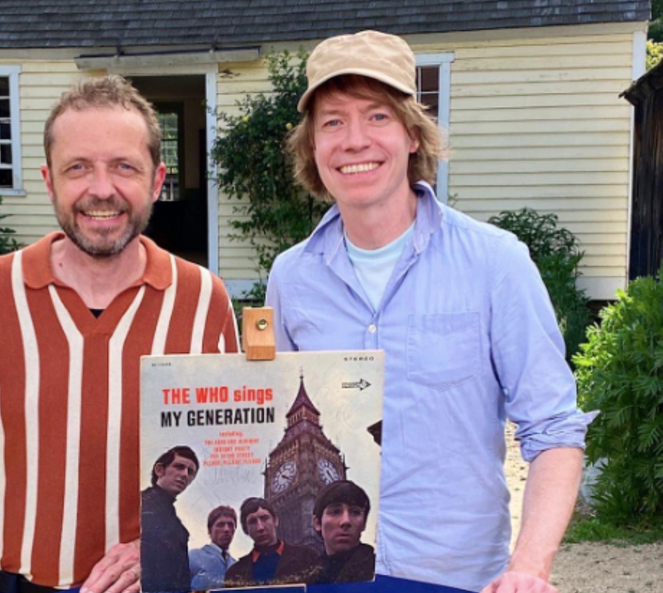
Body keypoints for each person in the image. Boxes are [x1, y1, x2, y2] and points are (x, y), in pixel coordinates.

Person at [266, 30, 595, 593]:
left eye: (377, 117)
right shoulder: (290, 277)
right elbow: (271, 424)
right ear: (312, 146)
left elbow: (554, 429)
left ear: (412, 135)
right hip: (328, 577)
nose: (354, 140)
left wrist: (529, 568)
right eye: (333, 122)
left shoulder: (496, 262)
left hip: (456, 577)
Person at [0, 75, 240, 593]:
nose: (101, 189)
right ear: (49, 180)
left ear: (156, 180)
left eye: (124, 167)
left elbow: (224, 464)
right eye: (77, 167)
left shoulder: (202, 299)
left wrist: (167, 544)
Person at [223, 497, 318, 587]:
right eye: (252, 522)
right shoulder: (234, 573)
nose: (260, 527)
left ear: (275, 520)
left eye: (264, 518)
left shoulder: (307, 558)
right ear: (246, 530)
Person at [141, 446, 199, 592]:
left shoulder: (171, 516)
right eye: (179, 467)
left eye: (190, 472)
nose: (185, 475)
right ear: (160, 470)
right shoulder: (141, 504)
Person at [308, 480, 375, 584]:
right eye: (335, 512)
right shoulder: (304, 580)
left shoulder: (382, 572)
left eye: (355, 512)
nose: (346, 521)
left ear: (364, 523)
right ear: (317, 523)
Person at [188, 506, 238, 591]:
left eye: (230, 525)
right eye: (220, 525)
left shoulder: (236, 565)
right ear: (210, 529)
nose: (226, 529)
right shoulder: (193, 557)